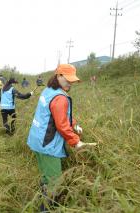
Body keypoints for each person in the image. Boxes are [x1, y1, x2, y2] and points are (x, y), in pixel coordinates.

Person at [26, 64, 96, 211]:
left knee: (46, 176)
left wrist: (74, 125)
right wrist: (76, 142)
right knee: (55, 183)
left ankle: (43, 197)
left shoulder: (48, 90)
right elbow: (62, 125)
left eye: (72, 80)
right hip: (48, 144)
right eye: (67, 79)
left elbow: (59, 114)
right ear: (59, 76)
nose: (70, 83)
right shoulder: (60, 97)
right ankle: (45, 209)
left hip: (36, 140)